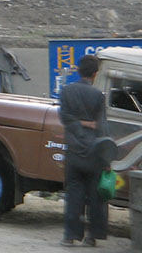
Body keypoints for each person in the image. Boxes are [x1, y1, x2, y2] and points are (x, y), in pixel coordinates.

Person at [58, 55, 110, 247]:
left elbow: (64, 118)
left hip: (74, 152)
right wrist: (107, 161)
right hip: (94, 153)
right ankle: (92, 237)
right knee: (96, 197)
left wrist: (79, 125)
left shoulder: (67, 91)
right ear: (95, 74)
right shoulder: (98, 96)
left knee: (74, 194)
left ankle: (69, 236)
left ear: (78, 71)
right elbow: (102, 128)